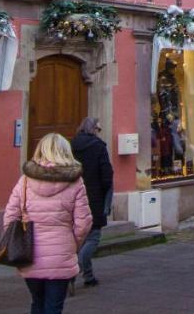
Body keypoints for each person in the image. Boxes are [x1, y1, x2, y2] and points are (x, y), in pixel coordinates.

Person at [4, 133, 92, 314]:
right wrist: (72, 244)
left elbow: (10, 216)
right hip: (61, 253)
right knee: (54, 307)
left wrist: (17, 241)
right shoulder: (75, 182)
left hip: (29, 253)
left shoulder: (25, 180)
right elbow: (84, 223)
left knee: (37, 303)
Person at [70, 117, 114, 289]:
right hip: (94, 196)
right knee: (93, 237)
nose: (99, 132)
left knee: (78, 237)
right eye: (99, 129)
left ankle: (89, 277)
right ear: (94, 129)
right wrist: (107, 192)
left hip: (73, 195)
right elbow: (106, 173)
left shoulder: (71, 145)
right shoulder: (98, 146)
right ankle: (74, 270)